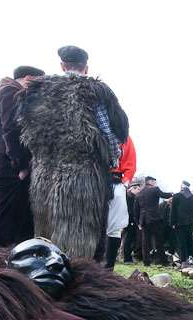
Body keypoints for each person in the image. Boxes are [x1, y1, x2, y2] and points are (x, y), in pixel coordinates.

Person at [20, 45, 128, 260]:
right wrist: (114, 158)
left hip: (42, 175)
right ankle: (78, 278)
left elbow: (25, 130)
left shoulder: (37, 91)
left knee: (46, 229)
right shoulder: (93, 90)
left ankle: (46, 277)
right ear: (86, 68)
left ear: (62, 65)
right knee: (78, 233)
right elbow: (108, 131)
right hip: (81, 176)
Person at [0, 65, 45, 248]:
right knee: (8, 223)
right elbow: (13, 130)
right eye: (39, 84)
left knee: (18, 222)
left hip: (4, 166)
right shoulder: (11, 92)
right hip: (10, 168)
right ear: (28, 78)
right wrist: (21, 165)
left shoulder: (5, 90)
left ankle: (10, 265)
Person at [134, 176, 173, 266]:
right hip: (154, 218)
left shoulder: (139, 194)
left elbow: (135, 210)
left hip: (143, 220)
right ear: (150, 181)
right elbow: (163, 195)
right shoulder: (154, 189)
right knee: (158, 240)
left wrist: (138, 222)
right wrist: (171, 194)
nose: (155, 183)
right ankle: (163, 261)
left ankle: (146, 262)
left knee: (145, 241)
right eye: (154, 181)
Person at [170, 181, 193, 264]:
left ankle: (183, 260)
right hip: (190, 223)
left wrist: (172, 223)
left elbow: (173, 211)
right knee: (190, 241)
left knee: (181, 242)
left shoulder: (177, 196)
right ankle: (192, 257)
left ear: (181, 187)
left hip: (179, 223)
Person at [104, 170, 128, 269]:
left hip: (118, 181)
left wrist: (125, 182)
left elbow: (130, 164)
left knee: (115, 228)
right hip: (100, 178)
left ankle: (109, 267)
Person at [121, 179, 142, 263]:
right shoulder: (129, 197)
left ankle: (128, 257)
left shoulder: (133, 198)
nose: (139, 191)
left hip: (133, 221)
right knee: (128, 240)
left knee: (132, 240)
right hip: (130, 222)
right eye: (138, 189)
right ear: (133, 189)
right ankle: (127, 258)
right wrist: (131, 221)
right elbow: (129, 210)